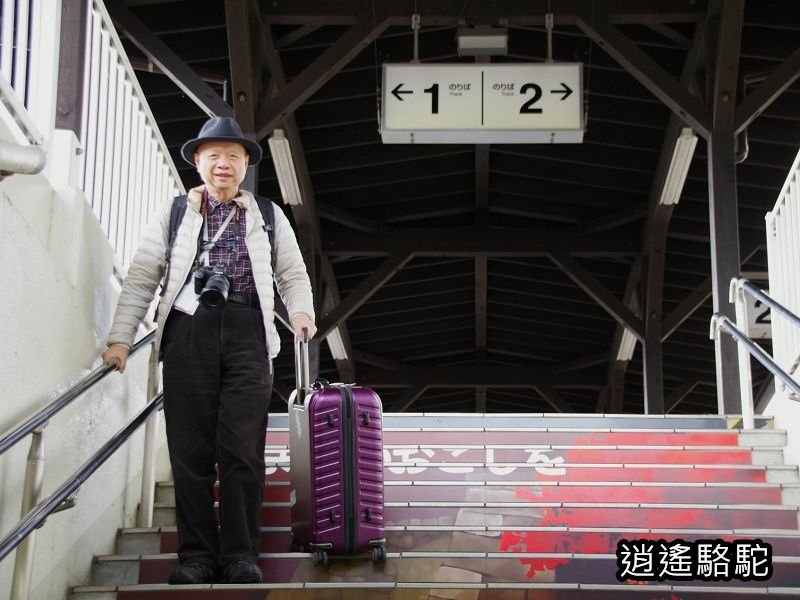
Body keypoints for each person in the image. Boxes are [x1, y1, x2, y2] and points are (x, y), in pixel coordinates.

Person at [102, 116, 316, 584]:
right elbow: (143, 275)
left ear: (245, 166)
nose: (224, 164)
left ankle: (241, 554)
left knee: (242, 449)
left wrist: (301, 314)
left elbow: (293, 274)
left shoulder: (267, 214)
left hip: (249, 331)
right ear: (198, 162)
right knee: (190, 450)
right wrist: (121, 338)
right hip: (187, 329)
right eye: (214, 156)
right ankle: (196, 557)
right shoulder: (176, 212)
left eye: (234, 157)